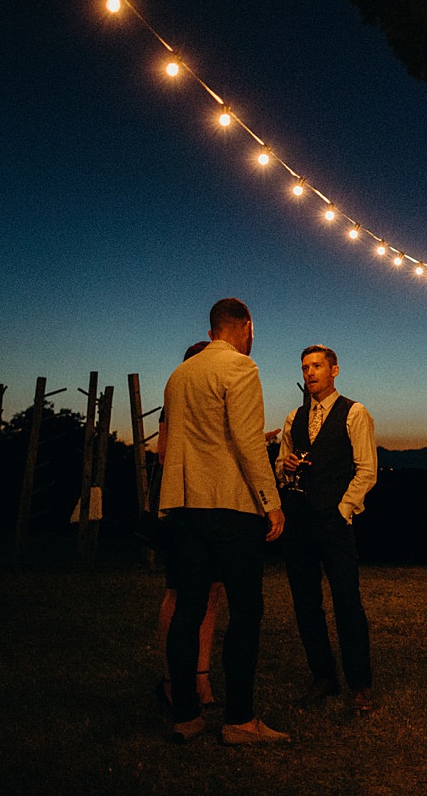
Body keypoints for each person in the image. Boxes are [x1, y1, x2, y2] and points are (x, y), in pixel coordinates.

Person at [159, 298, 288, 746]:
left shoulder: (180, 374)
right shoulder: (240, 369)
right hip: (231, 507)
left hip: (185, 506)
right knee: (247, 611)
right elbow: (248, 439)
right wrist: (270, 502)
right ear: (246, 326)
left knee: (188, 609)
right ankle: (239, 720)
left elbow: (175, 442)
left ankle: (186, 716)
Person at [276, 345, 378, 712]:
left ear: (335, 370)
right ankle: (323, 676)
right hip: (299, 518)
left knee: (347, 602)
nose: (310, 373)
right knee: (306, 603)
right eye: (305, 367)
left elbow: (367, 469)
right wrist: (285, 466)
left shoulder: (355, 413)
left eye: (317, 366)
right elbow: (278, 466)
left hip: (334, 521)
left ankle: (360, 684)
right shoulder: (293, 418)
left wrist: (342, 509)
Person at [154, 341, 220, 712]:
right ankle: (170, 680)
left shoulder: (212, 404)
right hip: (185, 507)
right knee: (179, 593)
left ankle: (202, 677)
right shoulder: (175, 402)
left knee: (213, 593)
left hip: (216, 507)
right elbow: (164, 454)